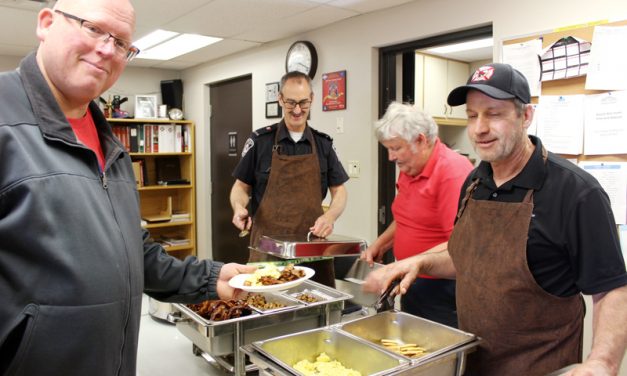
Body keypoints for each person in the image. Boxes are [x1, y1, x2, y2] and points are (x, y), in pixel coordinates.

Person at [0, 1, 255, 374]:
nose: (107, 49)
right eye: (92, 28)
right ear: (46, 23)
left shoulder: (111, 145)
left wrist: (212, 278)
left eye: (121, 43)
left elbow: (132, 250)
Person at [364, 63, 627, 376]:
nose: (479, 128)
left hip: (540, 366)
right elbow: (466, 256)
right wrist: (418, 263)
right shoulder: (476, 182)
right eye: (473, 115)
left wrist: (603, 362)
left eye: (494, 113)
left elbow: (611, 288)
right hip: (474, 358)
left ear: (525, 116)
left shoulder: (576, 192)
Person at [362, 102, 472, 327]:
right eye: (388, 149)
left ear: (421, 140)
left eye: (396, 148)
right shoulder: (410, 167)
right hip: (414, 279)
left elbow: (461, 245)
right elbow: (406, 219)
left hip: (443, 289)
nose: (391, 157)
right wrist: (380, 244)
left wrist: (401, 266)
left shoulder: (452, 172)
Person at [230, 71, 349, 265]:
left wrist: (330, 216)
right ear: (280, 99)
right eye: (290, 102)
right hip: (267, 248)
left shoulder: (323, 144)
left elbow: (340, 191)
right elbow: (240, 187)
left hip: (311, 248)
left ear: (312, 99)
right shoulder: (260, 141)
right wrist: (238, 207)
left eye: (303, 103)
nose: (297, 110)